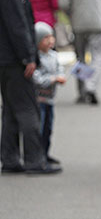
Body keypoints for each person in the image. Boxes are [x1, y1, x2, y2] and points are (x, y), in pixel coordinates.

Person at [0, 0, 61, 174]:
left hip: (6, 59)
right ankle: (35, 161)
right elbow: (18, 27)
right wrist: (28, 58)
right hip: (15, 61)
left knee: (10, 111)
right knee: (28, 110)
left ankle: (11, 160)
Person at [32, 22, 66, 165]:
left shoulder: (53, 56)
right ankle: (37, 155)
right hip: (39, 99)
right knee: (39, 128)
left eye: (51, 36)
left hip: (50, 99)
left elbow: (60, 68)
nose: (50, 40)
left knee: (48, 129)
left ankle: (45, 153)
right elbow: (36, 78)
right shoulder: (35, 58)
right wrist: (53, 79)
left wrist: (61, 76)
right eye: (46, 38)